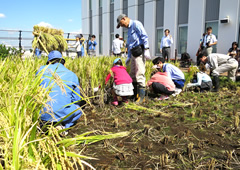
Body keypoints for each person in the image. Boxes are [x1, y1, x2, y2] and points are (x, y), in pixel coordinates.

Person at [36, 51, 85, 134]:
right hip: (63, 114)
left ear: (49, 62)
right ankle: (64, 126)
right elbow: (76, 99)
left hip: (43, 112)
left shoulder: (41, 70)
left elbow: (34, 90)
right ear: (63, 63)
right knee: (78, 109)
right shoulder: (72, 75)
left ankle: (41, 124)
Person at [116, 14, 151, 103]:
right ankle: (135, 95)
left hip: (139, 52)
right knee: (132, 74)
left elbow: (144, 36)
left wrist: (146, 49)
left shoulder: (136, 24)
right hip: (133, 53)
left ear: (124, 19)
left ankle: (141, 98)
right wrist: (128, 57)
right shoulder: (129, 30)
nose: (122, 26)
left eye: (122, 24)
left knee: (139, 73)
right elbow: (129, 44)